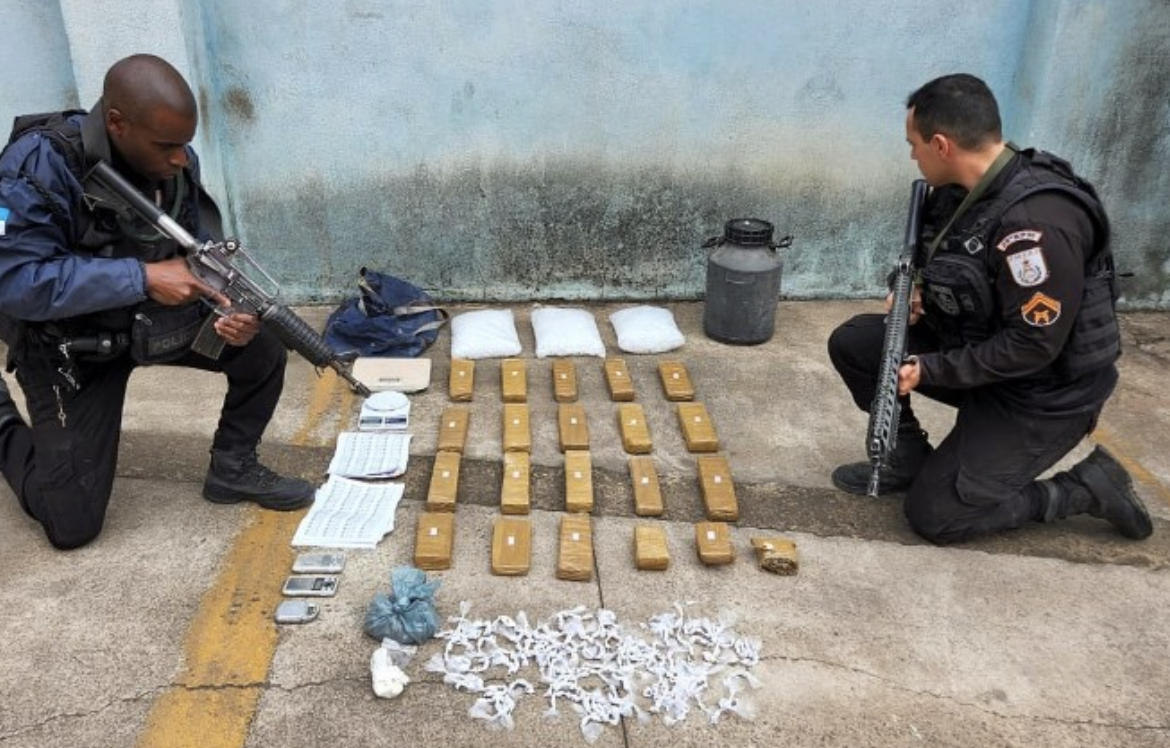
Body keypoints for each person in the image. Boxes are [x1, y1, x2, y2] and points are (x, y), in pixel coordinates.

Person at [0, 54, 314, 551]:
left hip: (142, 321)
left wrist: (228, 310)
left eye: (185, 144)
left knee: (263, 345)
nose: (180, 159)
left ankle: (232, 467)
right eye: (167, 146)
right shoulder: (34, 166)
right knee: (72, 526)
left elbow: (193, 255)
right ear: (117, 123)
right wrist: (142, 277)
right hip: (67, 345)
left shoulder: (175, 163)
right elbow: (17, 281)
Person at [827, 73, 1153, 544]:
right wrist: (913, 287)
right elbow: (935, 260)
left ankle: (1085, 488)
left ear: (941, 145)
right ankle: (907, 459)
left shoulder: (1036, 225)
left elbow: (1033, 345)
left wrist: (931, 369)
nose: (912, 156)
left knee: (936, 515)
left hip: (1043, 395)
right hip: (984, 360)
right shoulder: (960, 193)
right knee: (857, 344)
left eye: (914, 145)